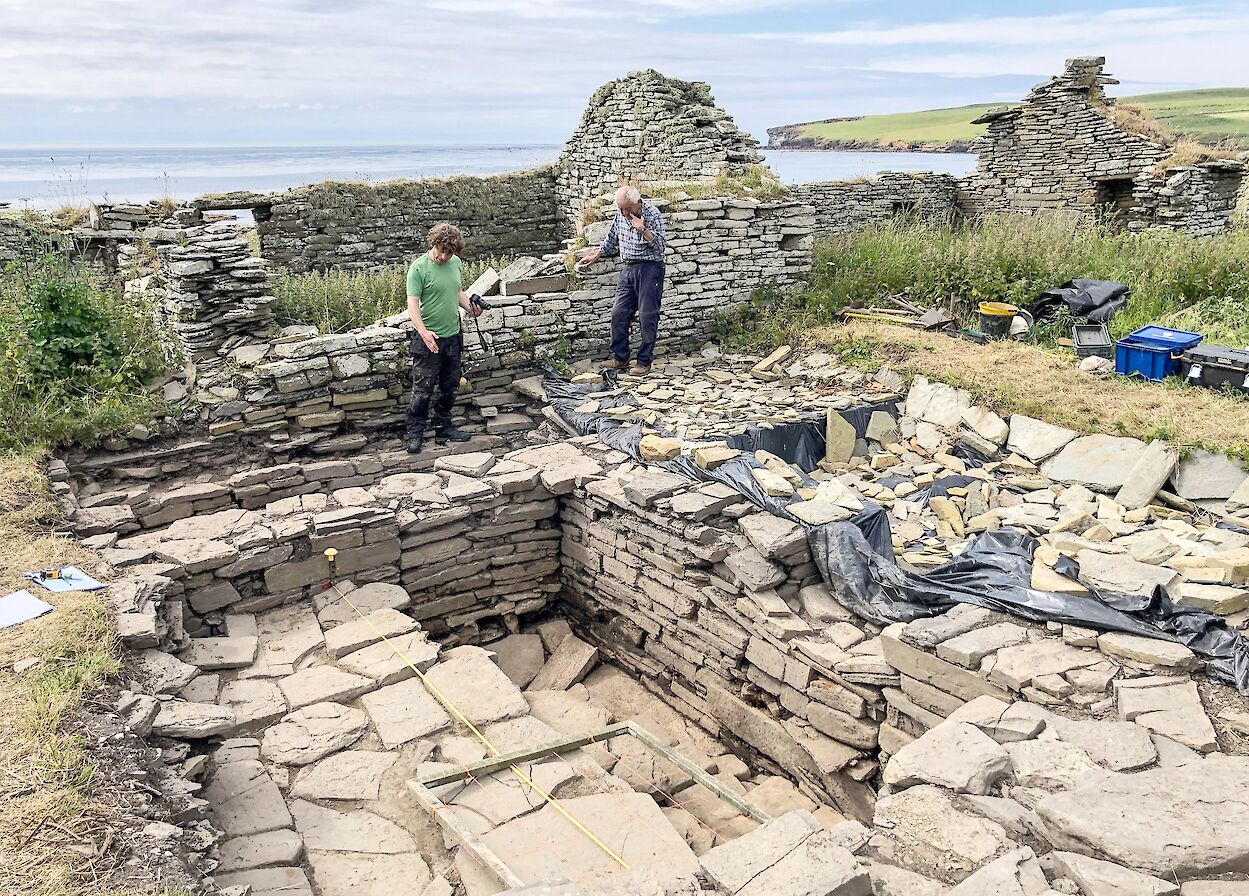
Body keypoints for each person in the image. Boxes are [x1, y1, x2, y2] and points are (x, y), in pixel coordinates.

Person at [404, 222, 482, 453]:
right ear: (433, 244)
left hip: (452, 336)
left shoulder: (455, 263)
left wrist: (472, 308)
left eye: (449, 252)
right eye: (441, 250)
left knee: (450, 386)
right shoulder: (419, 268)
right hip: (428, 339)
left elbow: (457, 291)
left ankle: (443, 427)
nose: (444, 256)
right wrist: (423, 332)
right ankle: (415, 434)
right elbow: (412, 304)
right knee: (422, 390)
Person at [579, 185, 667, 376]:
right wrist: (596, 255)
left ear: (637, 202)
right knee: (619, 314)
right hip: (628, 269)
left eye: (627, 208)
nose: (624, 212)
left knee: (647, 316)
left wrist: (642, 229)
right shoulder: (620, 214)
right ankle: (621, 357)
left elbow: (660, 246)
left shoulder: (652, 213)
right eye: (620, 208)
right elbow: (611, 238)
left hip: (650, 269)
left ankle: (644, 362)